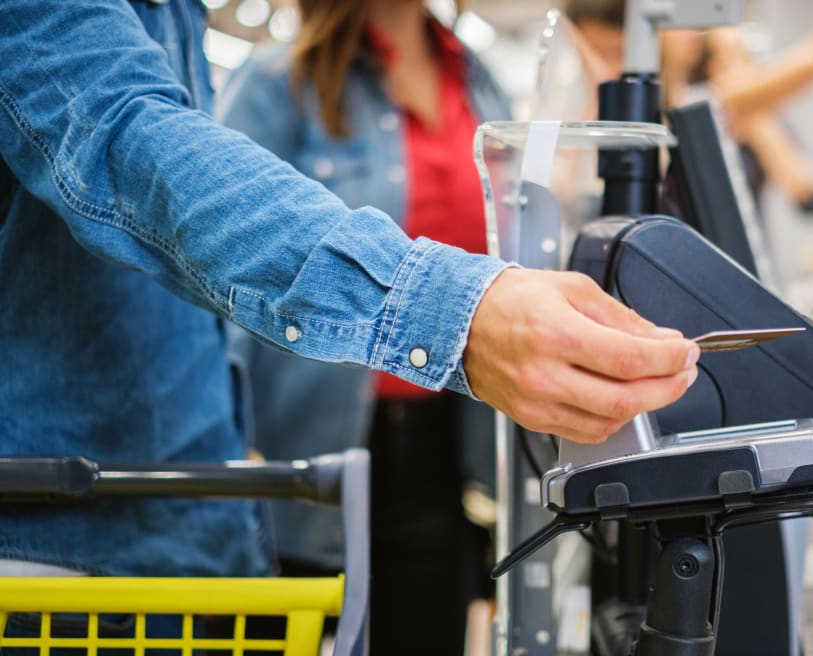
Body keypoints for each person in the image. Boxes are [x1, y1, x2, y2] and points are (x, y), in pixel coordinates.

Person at [0, 0, 699, 590]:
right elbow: (151, 171)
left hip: (321, 465)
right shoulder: (281, 81)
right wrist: (454, 311)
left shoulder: (470, 75)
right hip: (92, 523)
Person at [216, 1, 510, 652]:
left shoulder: (476, 77)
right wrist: (225, 437)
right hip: (305, 440)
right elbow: (218, 270)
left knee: (426, 629)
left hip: (448, 442)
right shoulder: (278, 84)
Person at [566, 0, 813, 215]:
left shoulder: (705, 105)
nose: (608, 68)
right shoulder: (586, 120)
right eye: (594, 52)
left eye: (618, 51)